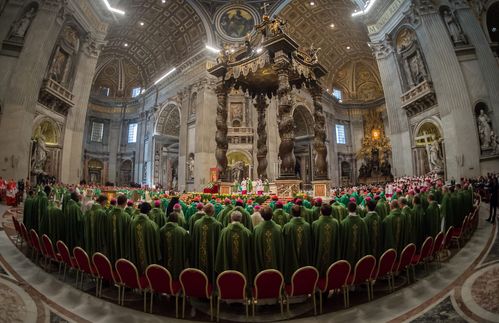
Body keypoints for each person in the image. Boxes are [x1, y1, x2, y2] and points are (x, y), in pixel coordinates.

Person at [215, 211, 252, 282]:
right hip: (243, 267)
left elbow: (220, 251)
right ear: (241, 219)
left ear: (231, 219)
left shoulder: (224, 232)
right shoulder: (247, 232)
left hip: (227, 265)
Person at [191, 203, 222, 282]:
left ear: (204, 211)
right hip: (212, 256)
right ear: (213, 212)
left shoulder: (197, 223)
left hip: (199, 256)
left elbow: (194, 241)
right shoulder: (217, 225)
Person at [129, 202, 161, 273]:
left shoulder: (132, 222)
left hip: (136, 257)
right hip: (148, 256)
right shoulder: (152, 225)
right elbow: (156, 243)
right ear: (149, 211)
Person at [283, 205, 311, 282]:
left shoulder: (287, 226)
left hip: (291, 256)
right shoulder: (307, 226)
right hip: (304, 254)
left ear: (291, 213)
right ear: (300, 213)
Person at [252, 206, 284, 274]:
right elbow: (281, 248)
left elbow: (255, 249)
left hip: (261, 264)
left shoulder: (257, 229)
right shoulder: (278, 229)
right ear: (272, 215)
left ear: (261, 216)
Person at [159, 211, 190, 279]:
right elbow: (187, 249)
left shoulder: (161, 230)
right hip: (177, 262)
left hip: (165, 260)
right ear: (177, 220)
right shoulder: (182, 232)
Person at [312, 204, 340, 276]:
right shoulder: (335, 222)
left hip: (319, 253)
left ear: (320, 212)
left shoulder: (315, 224)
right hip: (332, 252)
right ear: (331, 212)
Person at [340, 202, 368, 267]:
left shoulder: (344, 223)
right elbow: (365, 238)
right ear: (356, 209)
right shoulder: (362, 222)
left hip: (347, 253)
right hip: (359, 252)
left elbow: (341, 241)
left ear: (347, 209)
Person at [106, 195, 131, 262]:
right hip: (122, 244)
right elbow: (128, 233)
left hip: (111, 242)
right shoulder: (126, 216)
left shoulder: (109, 214)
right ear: (125, 203)